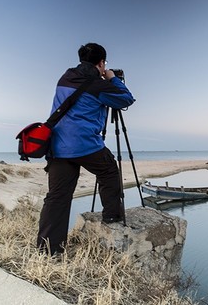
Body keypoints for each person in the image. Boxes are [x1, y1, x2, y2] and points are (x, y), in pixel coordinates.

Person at [37, 43, 135, 255]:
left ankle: (48, 250)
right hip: (84, 144)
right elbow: (126, 99)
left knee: (57, 197)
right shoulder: (98, 85)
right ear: (101, 63)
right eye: (104, 64)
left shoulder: (65, 77)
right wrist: (112, 78)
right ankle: (111, 215)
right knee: (108, 170)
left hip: (57, 146)